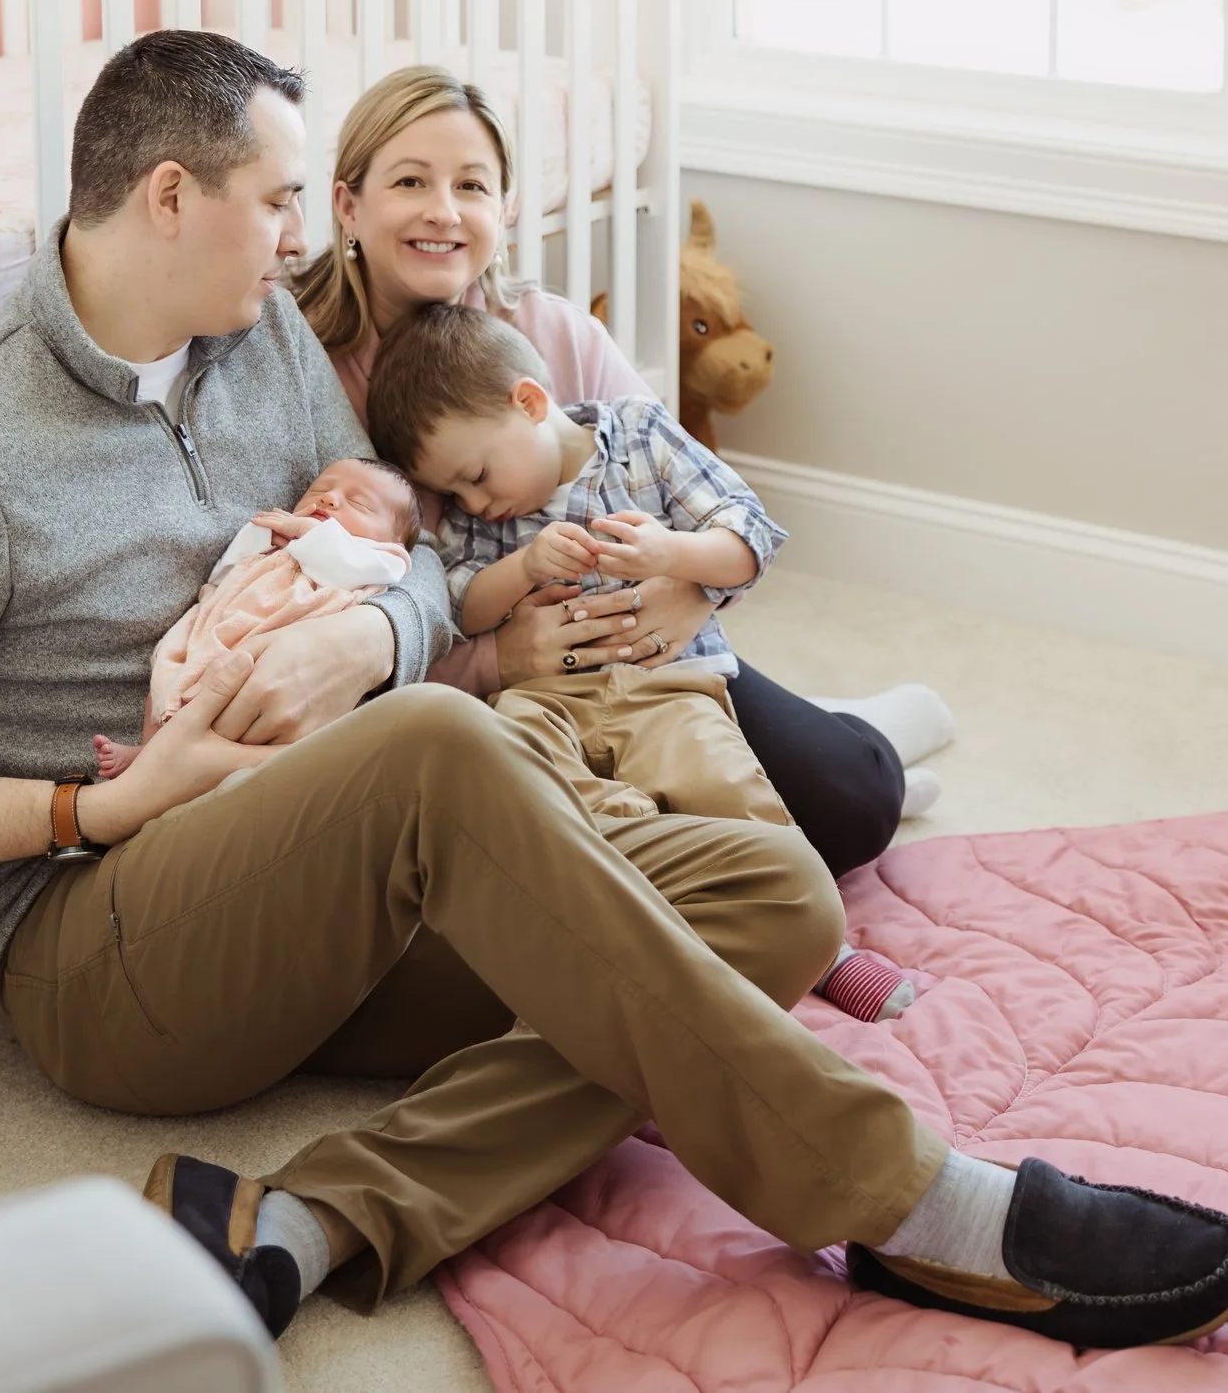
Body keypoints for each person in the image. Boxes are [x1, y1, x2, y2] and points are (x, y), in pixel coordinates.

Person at [0, 30, 1228, 1350]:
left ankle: (309, 1220)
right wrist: (99, 799)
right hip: (111, 947)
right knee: (444, 748)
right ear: (171, 197)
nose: (293, 247)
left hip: (326, 875)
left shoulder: (256, 342)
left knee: (771, 897)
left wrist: (376, 635)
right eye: (277, 204)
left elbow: (408, 555)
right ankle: (913, 1201)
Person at [292, 66, 955, 878]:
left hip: (643, 662)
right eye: (409, 181)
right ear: (348, 204)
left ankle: (843, 721)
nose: (443, 209)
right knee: (569, 862)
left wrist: (688, 589)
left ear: (505, 208)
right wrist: (499, 661)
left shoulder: (549, 332)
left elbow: (694, 492)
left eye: (471, 184)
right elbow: (328, 612)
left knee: (851, 800)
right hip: (480, 700)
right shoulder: (301, 370)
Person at [371, 303, 916, 1023]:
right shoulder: (480, 517)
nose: (475, 502)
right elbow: (461, 607)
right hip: (544, 700)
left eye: (477, 476)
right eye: (457, 492)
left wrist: (673, 556)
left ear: (530, 403)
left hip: (665, 685)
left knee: (720, 783)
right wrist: (525, 565)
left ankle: (824, 949)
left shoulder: (636, 436)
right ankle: (655, 910)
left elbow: (750, 532)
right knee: (545, 798)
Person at [91, 456, 418, 783]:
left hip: (273, 657)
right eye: (319, 490)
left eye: (359, 504)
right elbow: (224, 570)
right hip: (220, 629)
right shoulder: (284, 540)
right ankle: (149, 757)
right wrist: (261, 538)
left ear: (395, 541)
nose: (329, 499)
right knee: (166, 683)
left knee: (239, 708)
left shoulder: (382, 560)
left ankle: (174, 773)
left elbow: (343, 566)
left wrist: (307, 533)